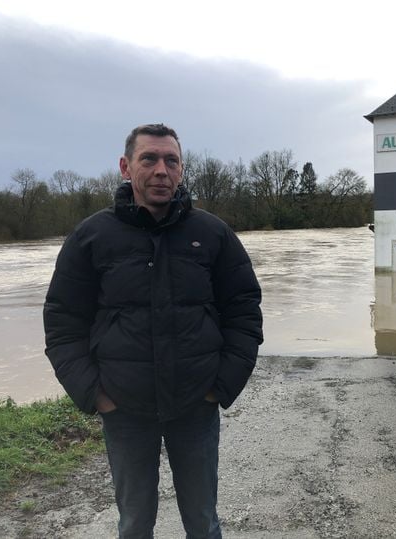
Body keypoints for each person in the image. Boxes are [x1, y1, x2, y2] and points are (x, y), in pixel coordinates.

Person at [43, 123, 263, 538]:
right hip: (124, 410)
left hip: (196, 405)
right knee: (134, 522)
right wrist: (94, 393)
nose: (161, 169)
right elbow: (63, 321)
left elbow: (244, 312)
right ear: (126, 167)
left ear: (181, 170)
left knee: (203, 521)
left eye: (171, 160)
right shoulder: (91, 237)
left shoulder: (212, 234)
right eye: (150, 159)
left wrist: (222, 384)